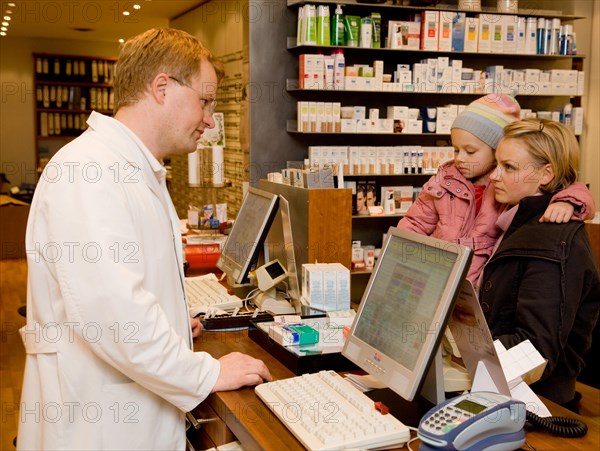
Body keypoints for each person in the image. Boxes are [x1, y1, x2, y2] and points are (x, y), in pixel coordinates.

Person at [17, 28, 271, 451]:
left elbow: (120, 289)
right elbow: (115, 318)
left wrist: (170, 322)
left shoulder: (133, 170)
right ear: (161, 87)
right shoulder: (90, 171)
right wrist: (206, 374)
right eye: (205, 101)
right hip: (97, 427)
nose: (210, 119)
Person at [398, 94, 595, 284]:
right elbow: (414, 224)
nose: (460, 159)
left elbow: (570, 186)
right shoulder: (444, 179)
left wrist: (566, 202)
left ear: (496, 150)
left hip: (478, 288)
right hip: (437, 277)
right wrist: (406, 260)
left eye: (470, 151)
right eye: (456, 149)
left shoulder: (508, 183)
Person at [480, 118, 600, 408]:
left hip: (539, 403)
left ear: (546, 174)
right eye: (497, 164)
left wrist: (468, 351)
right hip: (503, 386)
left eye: (509, 167)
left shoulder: (552, 242)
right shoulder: (516, 220)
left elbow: (533, 351)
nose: (494, 176)